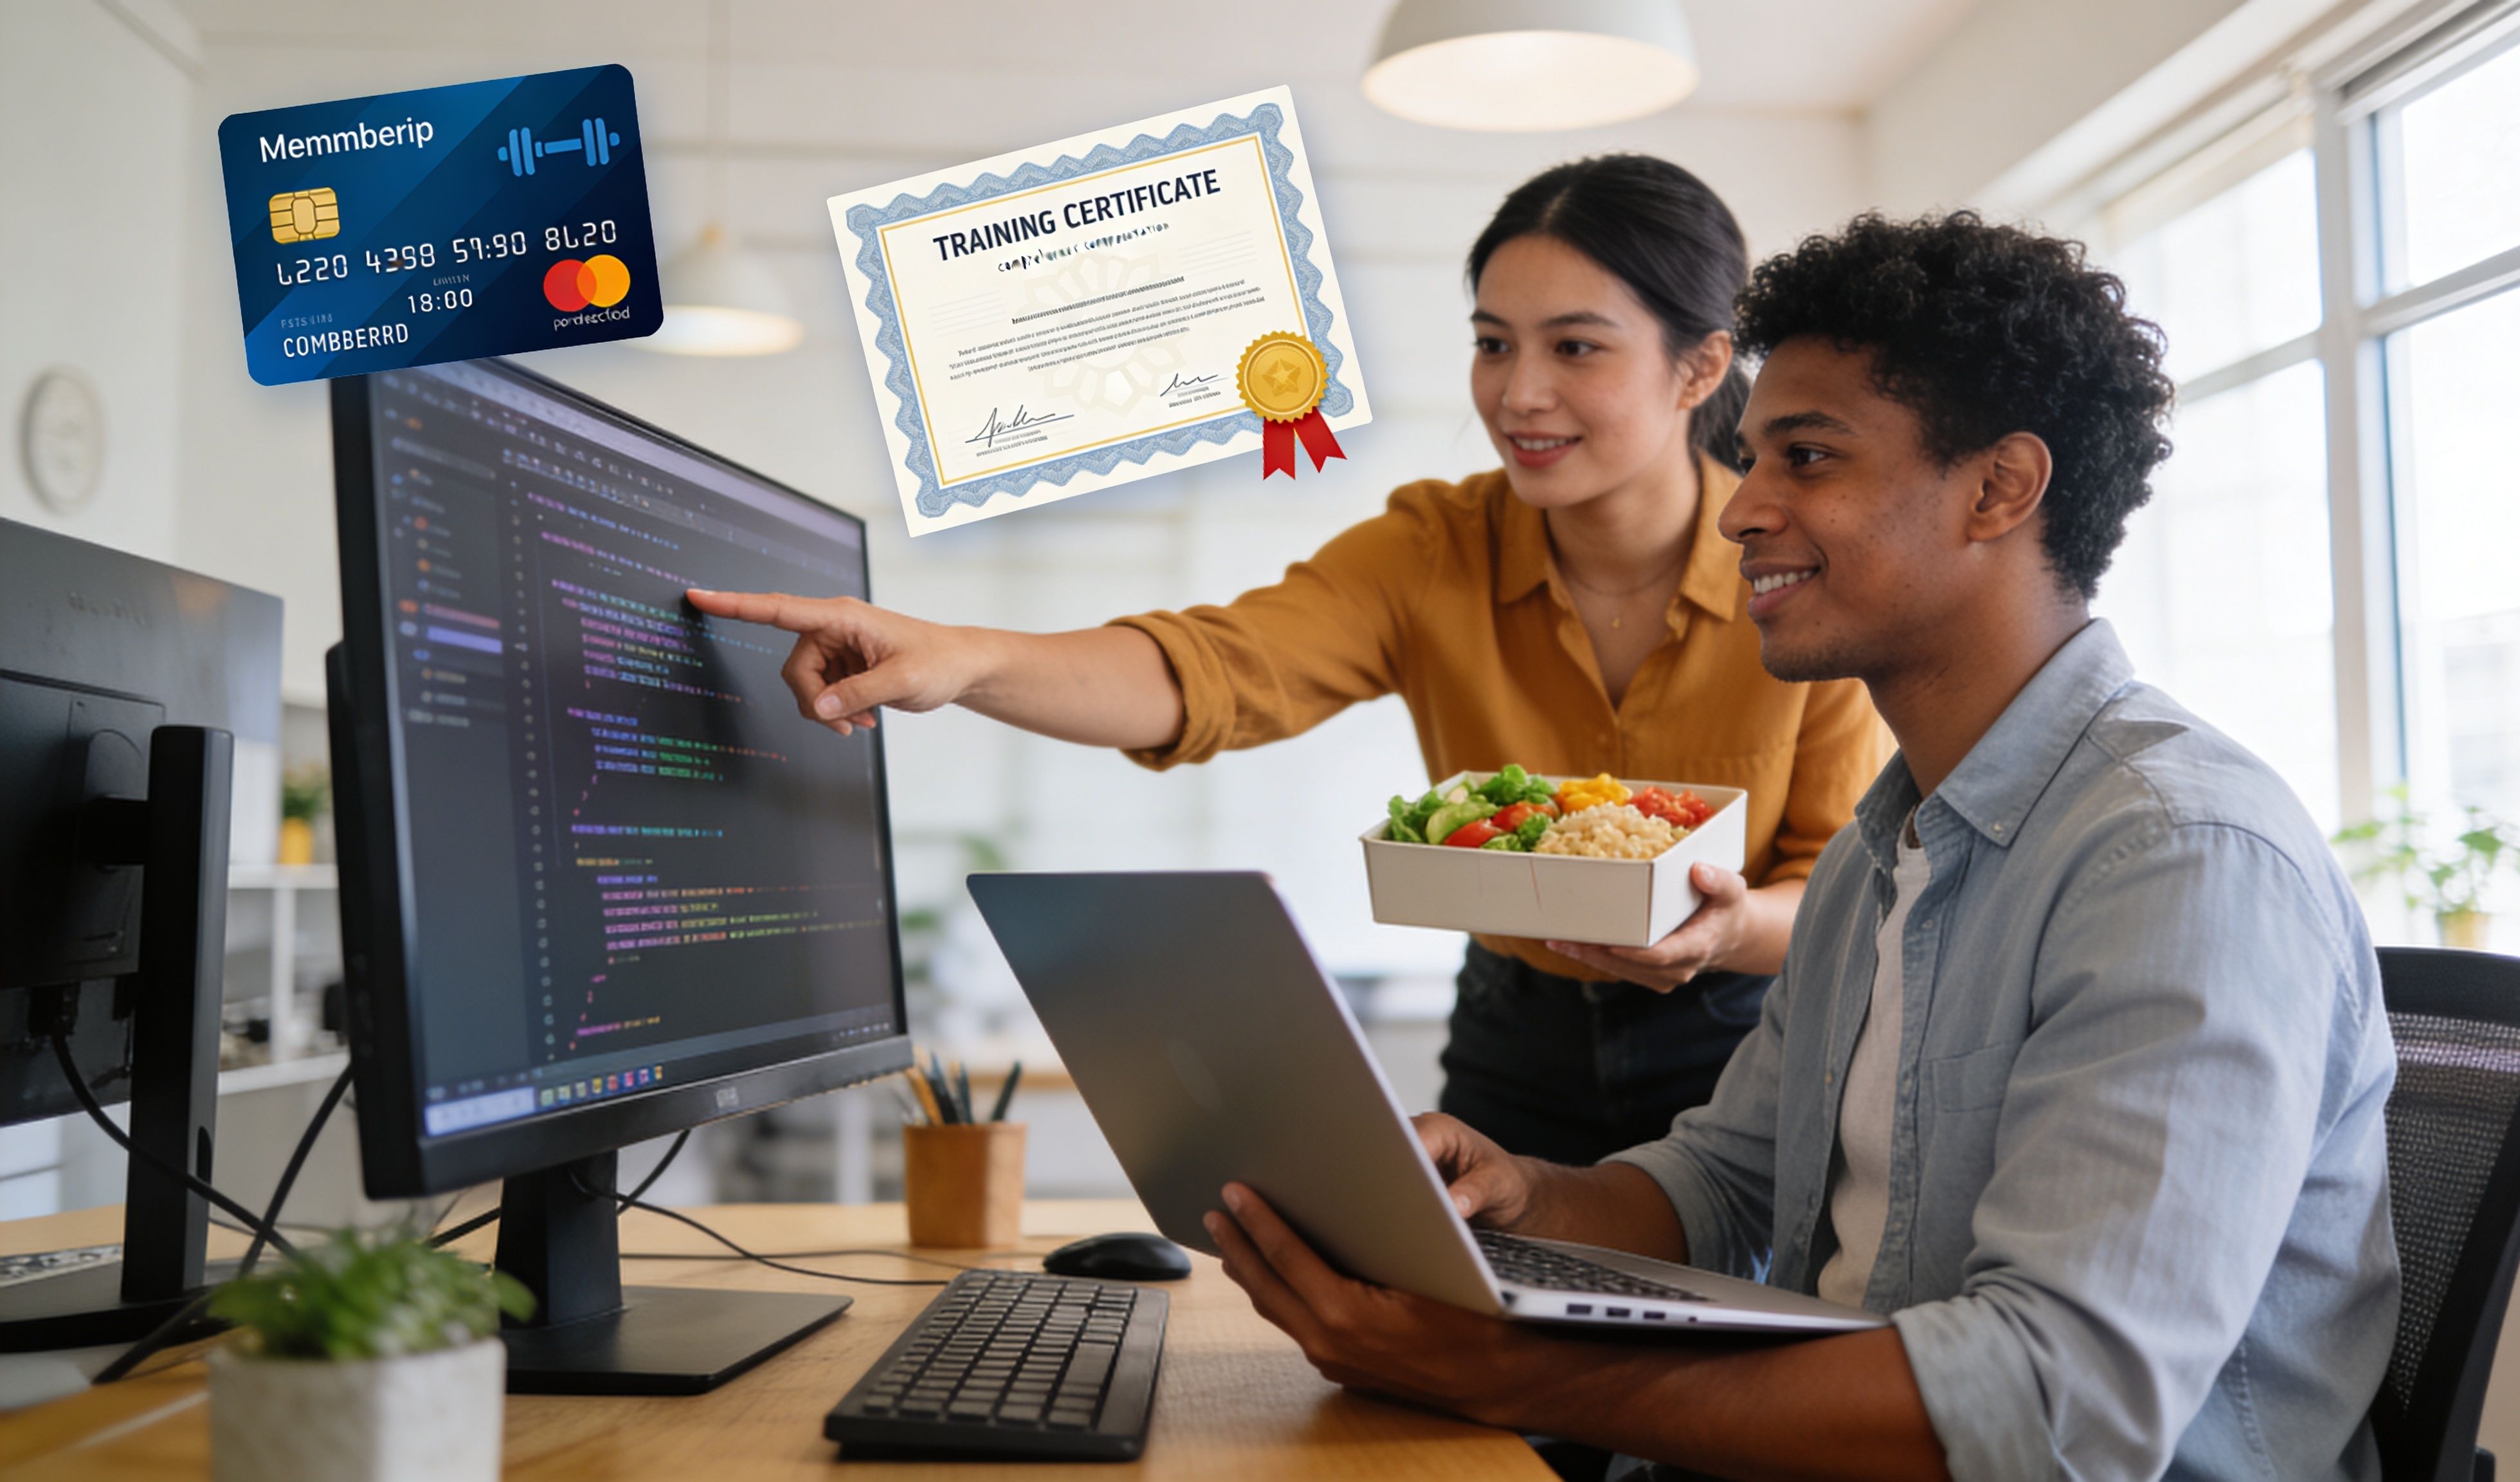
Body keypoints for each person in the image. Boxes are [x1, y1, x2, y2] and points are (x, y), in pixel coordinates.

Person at [1202, 211, 2402, 1480]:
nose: (1742, 510)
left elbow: (2058, 1407)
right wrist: (1519, 1194)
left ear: (1997, 489)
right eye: (1753, 454)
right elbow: (1723, 1189)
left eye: (1806, 458)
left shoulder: (2176, 861)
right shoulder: (1878, 856)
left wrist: (1498, 1371)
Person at [692, 156, 1885, 1164]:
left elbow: (1838, 888)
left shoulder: (1800, 572)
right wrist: (955, 659)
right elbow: (1210, 671)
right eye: (1492, 343)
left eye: (1577, 347)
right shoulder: (1432, 548)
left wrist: (1720, 934)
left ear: (1698, 368)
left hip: (1750, 1036)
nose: (1520, 393)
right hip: (1513, 1033)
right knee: (1490, 1387)